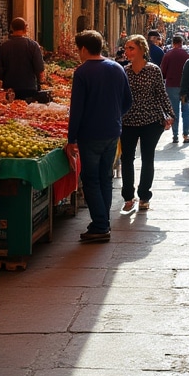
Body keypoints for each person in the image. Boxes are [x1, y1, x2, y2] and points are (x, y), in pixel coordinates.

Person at [66, 30, 132, 243]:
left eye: (78, 49)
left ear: (84, 49)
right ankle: (103, 222)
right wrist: (114, 117)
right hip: (112, 131)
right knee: (105, 177)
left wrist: (71, 139)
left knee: (91, 179)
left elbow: (77, 109)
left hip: (90, 134)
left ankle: (101, 225)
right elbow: (127, 101)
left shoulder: (82, 72)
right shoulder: (116, 68)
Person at [118, 35, 174, 213]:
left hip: (151, 120)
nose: (127, 51)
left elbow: (161, 94)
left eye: (131, 48)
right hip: (128, 121)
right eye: (126, 48)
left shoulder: (153, 70)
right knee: (126, 159)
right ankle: (128, 196)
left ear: (142, 49)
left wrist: (170, 114)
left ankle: (144, 195)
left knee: (148, 158)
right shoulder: (123, 71)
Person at [0, 17, 45, 100]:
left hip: (9, 88)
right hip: (29, 87)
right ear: (25, 28)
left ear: (12, 28)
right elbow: (39, 68)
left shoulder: (3, 47)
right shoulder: (33, 45)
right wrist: (41, 82)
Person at [160, 33, 189, 145]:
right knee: (186, 110)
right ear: (182, 43)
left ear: (173, 43)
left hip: (172, 86)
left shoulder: (168, 55)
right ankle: (186, 134)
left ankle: (175, 135)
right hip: (184, 88)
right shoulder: (187, 55)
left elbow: (162, 72)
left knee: (174, 110)